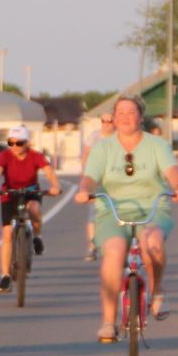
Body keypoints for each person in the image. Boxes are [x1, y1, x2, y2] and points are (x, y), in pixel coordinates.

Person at [78, 94, 178, 339]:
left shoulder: (157, 145)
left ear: (141, 117)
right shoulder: (102, 147)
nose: (126, 117)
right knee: (114, 252)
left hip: (152, 207)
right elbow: (90, 175)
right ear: (114, 118)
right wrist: (84, 190)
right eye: (120, 113)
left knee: (152, 242)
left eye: (131, 112)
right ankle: (109, 322)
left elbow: (171, 170)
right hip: (113, 210)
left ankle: (157, 291)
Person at [0, 125, 61, 290]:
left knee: (34, 210)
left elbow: (49, 172)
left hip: (31, 192)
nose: (15, 147)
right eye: (11, 142)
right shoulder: (5, 156)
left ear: (28, 143)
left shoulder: (35, 156)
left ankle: (37, 236)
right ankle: (5, 276)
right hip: (10, 194)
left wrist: (55, 186)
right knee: (7, 233)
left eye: (19, 143)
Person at [78, 110, 114, 260]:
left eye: (109, 121)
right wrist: (88, 178)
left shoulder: (120, 137)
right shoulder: (95, 136)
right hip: (97, 178)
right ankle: (92, 246)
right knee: (94, 212)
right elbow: (86, 155)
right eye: (103, 121)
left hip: (115, 179)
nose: (106, 124)